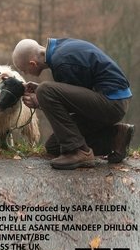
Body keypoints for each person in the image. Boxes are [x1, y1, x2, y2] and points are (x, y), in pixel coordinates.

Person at [12, 38, 134, 170]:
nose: (25, 74)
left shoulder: (62, 63)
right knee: (54, 146)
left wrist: (40, 100)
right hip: (110, 99)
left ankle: (80, 152)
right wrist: (41, 92)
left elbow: (73, 107)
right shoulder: (60, 49)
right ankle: (115, 137)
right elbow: (76, 97)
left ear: (32, 64)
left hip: (112, 102)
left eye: (23, 70)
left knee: (45, 90)